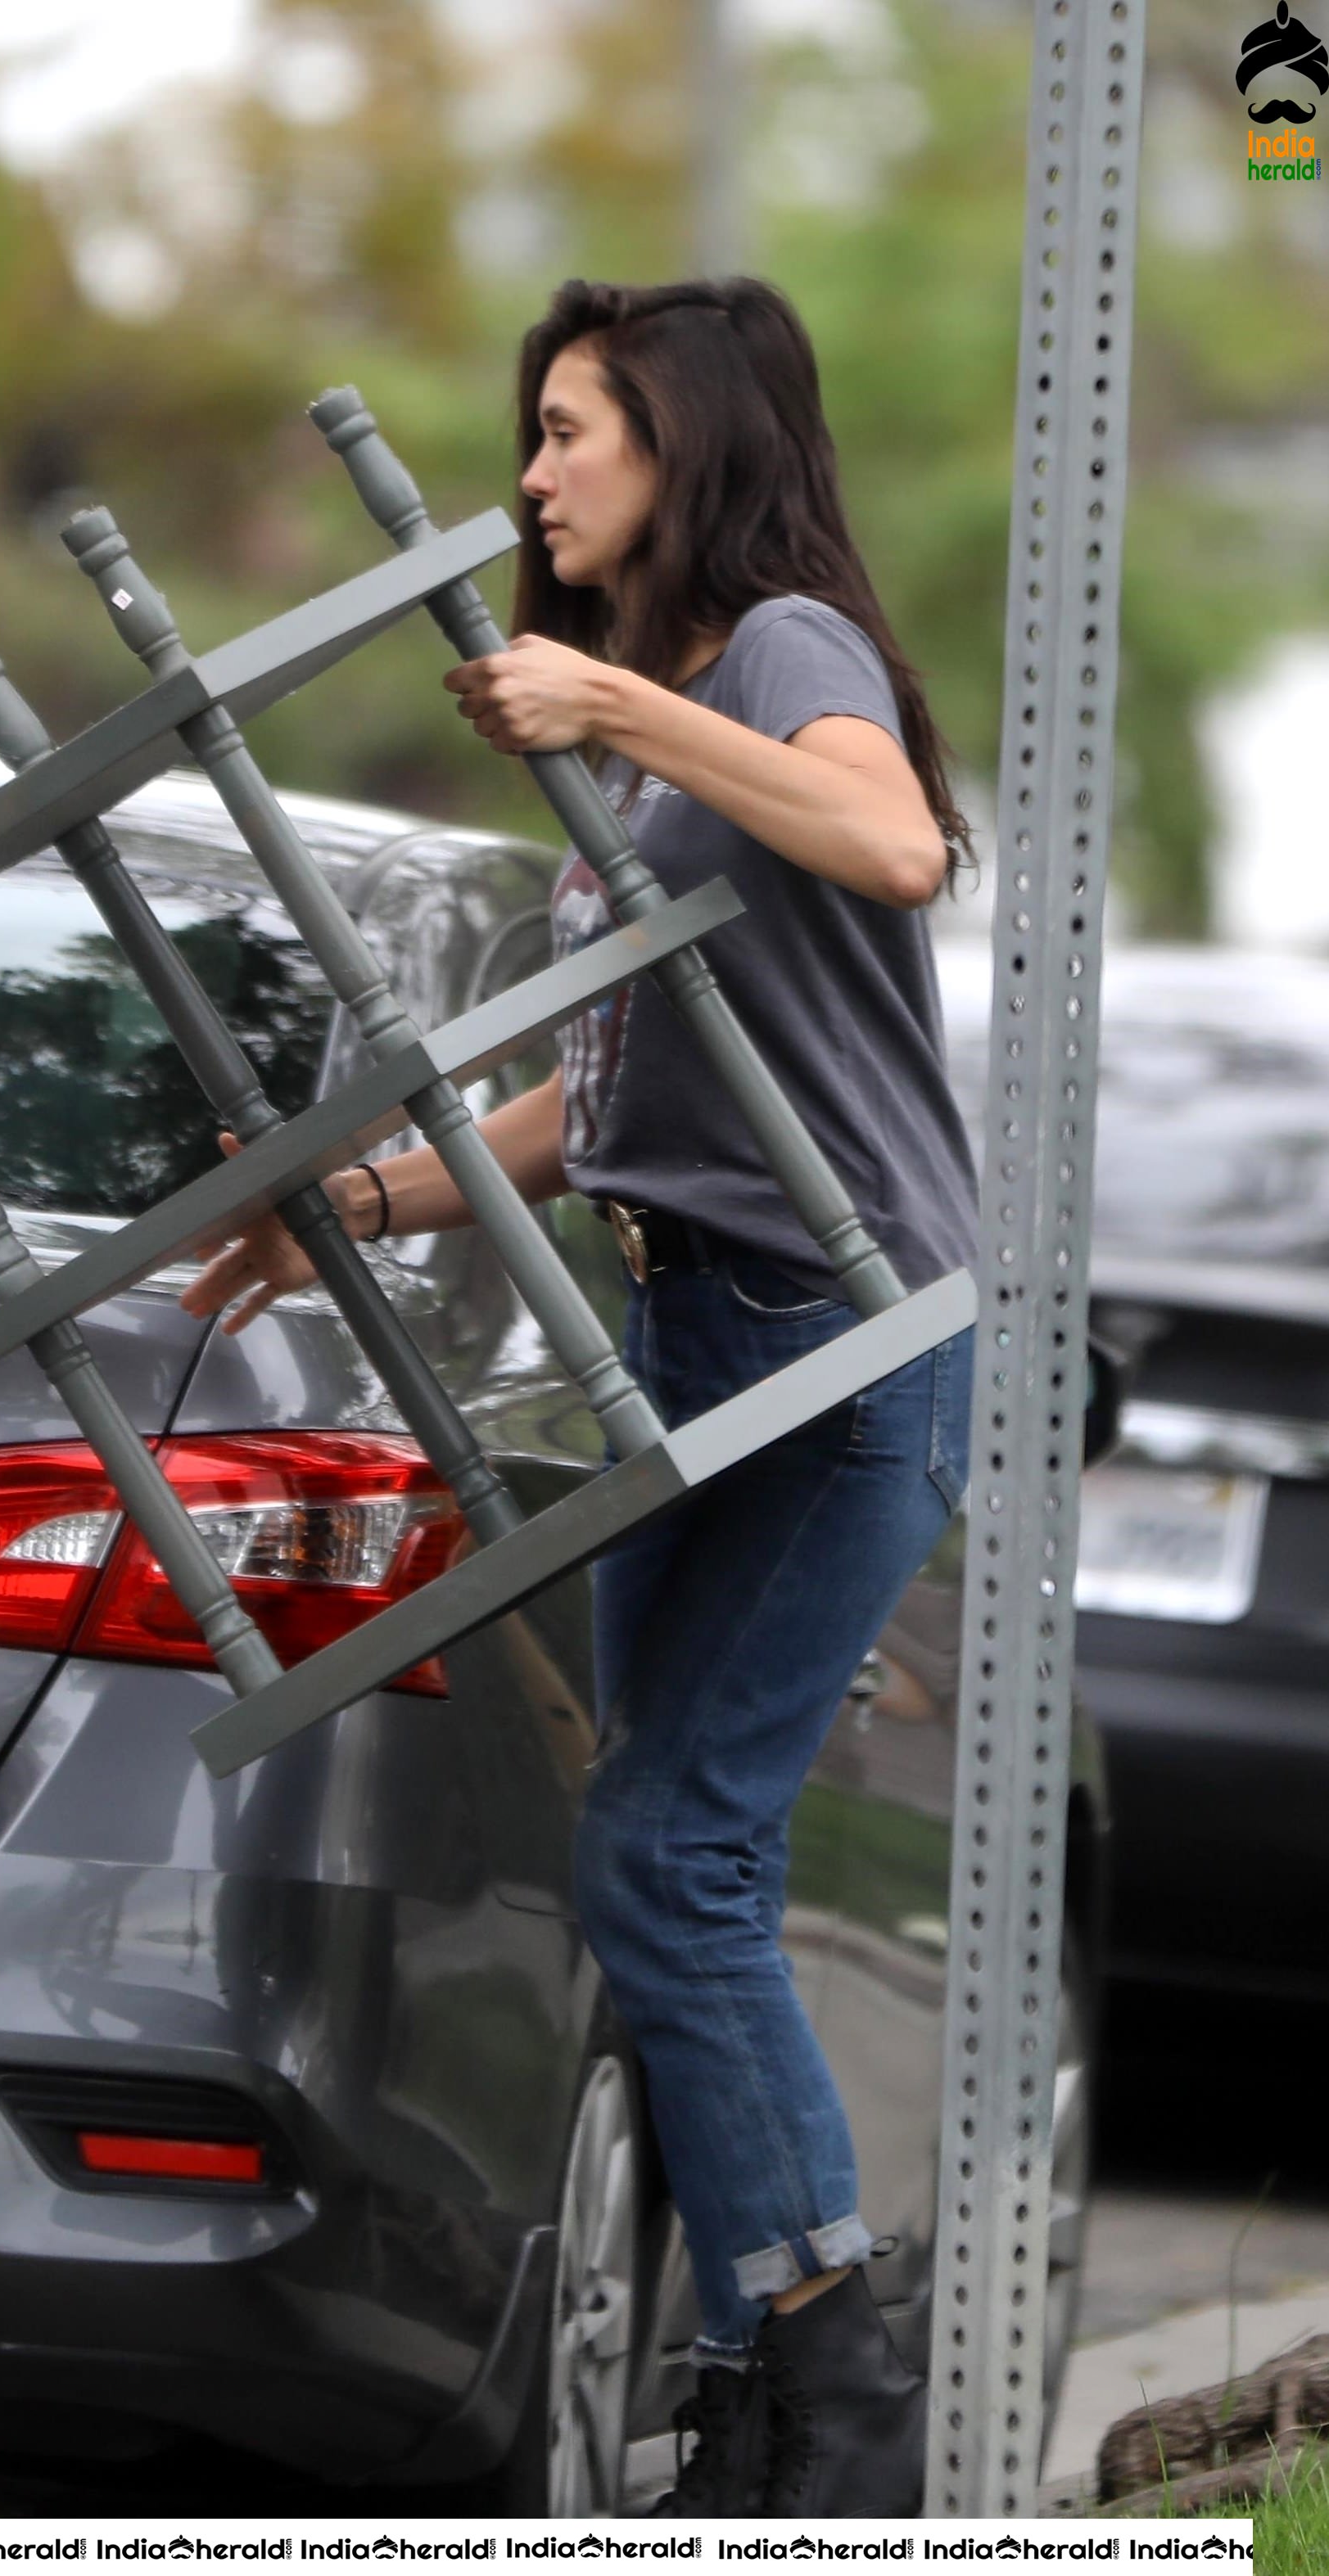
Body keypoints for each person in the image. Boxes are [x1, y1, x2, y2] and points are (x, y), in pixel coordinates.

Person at [182, 276, 980, 2517]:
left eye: (567, 431)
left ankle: (833, 2415)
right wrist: (371, 1193)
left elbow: (894, 840)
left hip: (842, 1343)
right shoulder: (666, 728)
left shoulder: (785, 654)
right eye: (528, 435)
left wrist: (620, 699)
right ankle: (754, 2399)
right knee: (663, 1866)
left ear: (685, 441)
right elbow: (609, 1083)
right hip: (691, 1328)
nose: (530, 477)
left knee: (670, 1857)